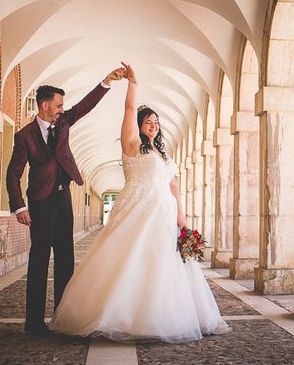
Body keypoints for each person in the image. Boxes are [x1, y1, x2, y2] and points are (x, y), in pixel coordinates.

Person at [49, 61, 229, 342]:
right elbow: (130, 110)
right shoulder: (132, 144)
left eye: (157, 123)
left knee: (162, 264)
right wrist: (133, 82)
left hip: (165, 215)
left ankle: (163, 315)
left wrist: (181, 216)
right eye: (149, 122)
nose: (154, 126)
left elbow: (174, 186)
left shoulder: (163, 154)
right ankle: (123, 315)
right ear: (139, 125)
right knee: (132, 261)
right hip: (138, 212)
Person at [6, 66, 125, 334]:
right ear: (45, 105)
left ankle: (62, 318)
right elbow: (13, 174)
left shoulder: (64, 122)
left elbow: (85, 106)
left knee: (66, 259)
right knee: (38, 259)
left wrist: (106, 81)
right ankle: (34, 323)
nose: (62, 109)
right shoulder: (24, 136)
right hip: (39, 202)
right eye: (58, 105)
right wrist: (19, 206)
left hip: (63, 198)